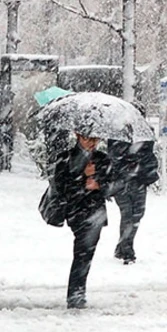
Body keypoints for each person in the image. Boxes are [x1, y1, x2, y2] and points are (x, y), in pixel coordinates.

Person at [52, 130, 112, 309]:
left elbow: (114, 185)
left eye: (95, 138)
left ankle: (77, 292)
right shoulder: (66, 158)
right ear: (78, 136)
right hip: (76, 212)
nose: (92, 143)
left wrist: (98, 182)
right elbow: (61, 186)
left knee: (85, 254)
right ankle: (76, 294)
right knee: (82, 253)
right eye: (87, 138)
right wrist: (82, 176)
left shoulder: (102, 159)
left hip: (96, 213)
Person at [108, 138, 159, 264]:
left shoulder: (145, 136)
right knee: (127, 214)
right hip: (121, 182)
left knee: (137, 214)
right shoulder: (117, 136)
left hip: (139, 181)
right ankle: (127, 251)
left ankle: (122, 246)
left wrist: (142, 165)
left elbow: (150, 158)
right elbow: (113, 159)